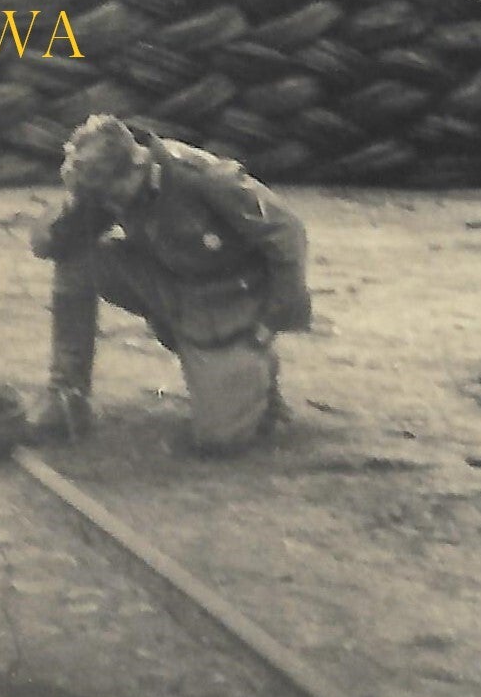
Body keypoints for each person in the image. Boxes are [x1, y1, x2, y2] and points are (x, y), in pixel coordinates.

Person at [28, 114, 313, 456]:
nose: (111, 206)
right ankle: (67, 396)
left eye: (113, 195)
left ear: (135, 167)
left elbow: (288, 232)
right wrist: (74, 208)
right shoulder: (107, 187)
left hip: (228, 302)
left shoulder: (202, 178)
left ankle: (260, 378)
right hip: (167, 284)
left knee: (219, 441)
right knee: (78, 258)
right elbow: (45, 244)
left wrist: (272, 319)